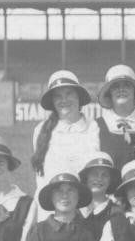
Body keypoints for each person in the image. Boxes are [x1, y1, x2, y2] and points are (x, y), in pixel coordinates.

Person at [31, 70, 99, 218]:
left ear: (79, 97)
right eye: (58, 96)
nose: (64, 100)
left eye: (69, 94)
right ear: (52, 101)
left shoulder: (93, 128)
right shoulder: (41, 130)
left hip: (85, 209)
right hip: (50, 212)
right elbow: (41, 177)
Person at [78, 151, 124, 241]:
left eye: (105, 175)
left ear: (111, 180)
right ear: (86, 177)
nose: (99, 179)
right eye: (94, 174)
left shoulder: (116, 212)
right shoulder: (75, 209)